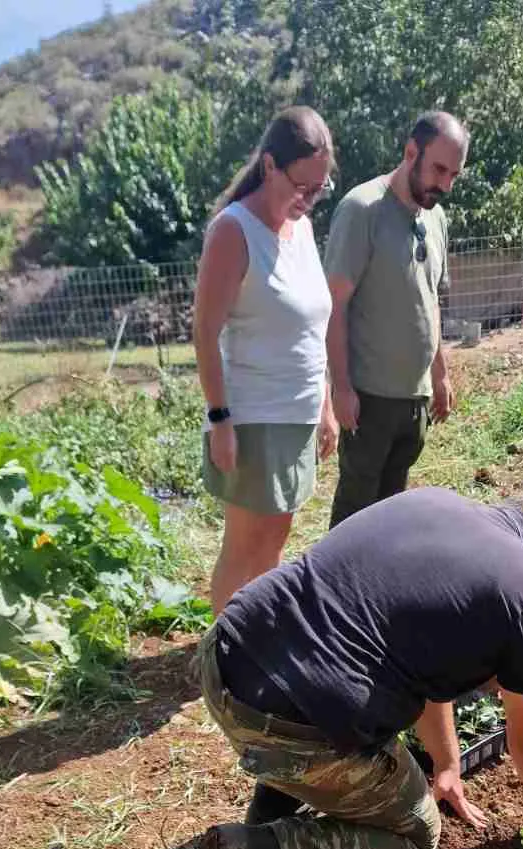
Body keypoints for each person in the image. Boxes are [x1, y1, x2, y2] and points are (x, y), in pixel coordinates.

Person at [197, 485, 523, 849]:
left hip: (225, 655)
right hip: (289, 725)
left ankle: (271, 805)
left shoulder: (430, 502)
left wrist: (448, 763)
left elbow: (420, 660)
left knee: (329, 682)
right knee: (419, 832)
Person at [193, 107, 340, 614]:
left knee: (276, 539)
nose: (309, 199)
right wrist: (220, 420)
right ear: (271, 166)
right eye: (302, 185)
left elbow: (312, 323)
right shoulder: (233, 231)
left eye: (320, 189)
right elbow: (205, 332)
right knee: (242, 547)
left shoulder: (299, 230)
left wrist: (324, 404)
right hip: (253, 417)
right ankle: (223, 666)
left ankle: (259, 640)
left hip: (297, 414)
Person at [325, 111, 469, 528]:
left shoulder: (435, 217)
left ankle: (377, 592)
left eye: (454, 175)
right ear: (410, 152)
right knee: (354, 518)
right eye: (439, 169)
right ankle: (333, 591)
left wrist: (439, 374)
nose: (445, 184)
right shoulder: (361, 210)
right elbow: (334, 306)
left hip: (415, 399)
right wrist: (341, 388)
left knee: (390, 516)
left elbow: (430, 301)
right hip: (368, 399)